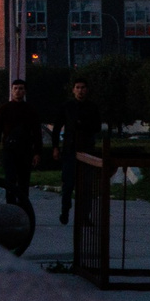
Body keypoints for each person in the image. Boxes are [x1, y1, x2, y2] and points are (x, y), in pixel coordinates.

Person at [0, 76, 45, 212]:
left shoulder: (30, 110)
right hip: (9, 150)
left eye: (21, 89)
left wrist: (37, 152)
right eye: (15, 89)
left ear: (25, 91)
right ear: (12, 90)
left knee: (24, 182)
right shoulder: (4, 109)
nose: (18, 91)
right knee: (10, 181)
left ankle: (23, 209)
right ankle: (11, 209)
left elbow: (37, 132)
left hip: (25, 150)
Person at [57, 77, 100, 228]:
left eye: (83, 87)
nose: (80, 90)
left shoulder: (92, 107)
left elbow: (97, 127)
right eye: (78, 87)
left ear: (87, 90)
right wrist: (55, 147)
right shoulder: (67, 106)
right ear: (73, 90)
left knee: (86, 186)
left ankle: (84, 215)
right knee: (68, 184)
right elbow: (57, 126)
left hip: (87, 150)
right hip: (70, 150)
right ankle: (65, 210)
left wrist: (83, 124)